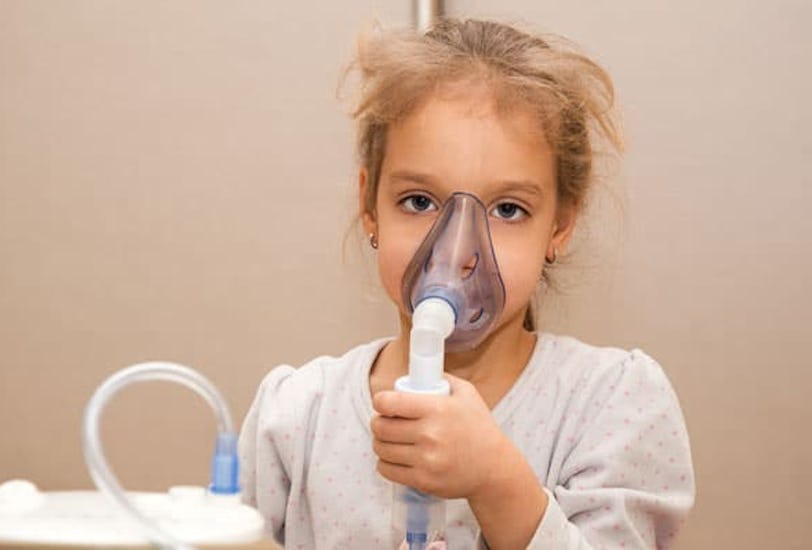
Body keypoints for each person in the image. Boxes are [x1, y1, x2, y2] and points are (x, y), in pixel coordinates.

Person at [239, 18, 695, 549]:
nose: (456, 254)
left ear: (561, 224)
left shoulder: (614, 406)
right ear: (370, 206)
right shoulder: (296, 419)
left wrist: (498, 482)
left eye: (507, 209)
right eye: (419, 201)